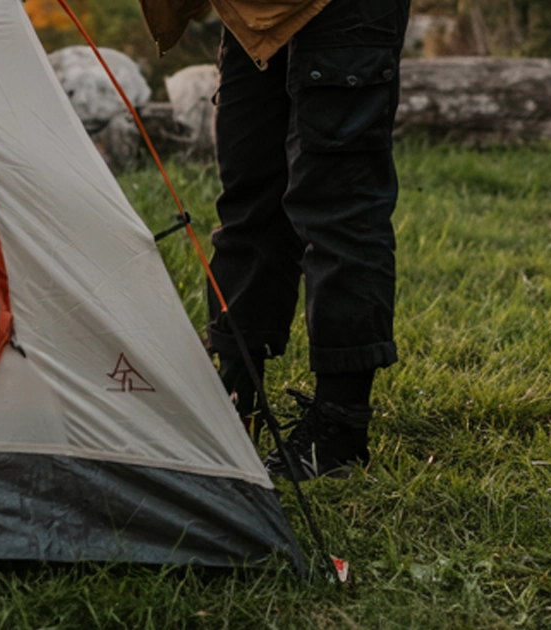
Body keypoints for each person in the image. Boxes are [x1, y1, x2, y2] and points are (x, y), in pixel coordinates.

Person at [137, 0, 411, 480]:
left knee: (339, 204)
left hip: (345, 11)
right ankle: (237, 392)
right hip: (254, 12)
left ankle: (339, 429)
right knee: (249, 195)